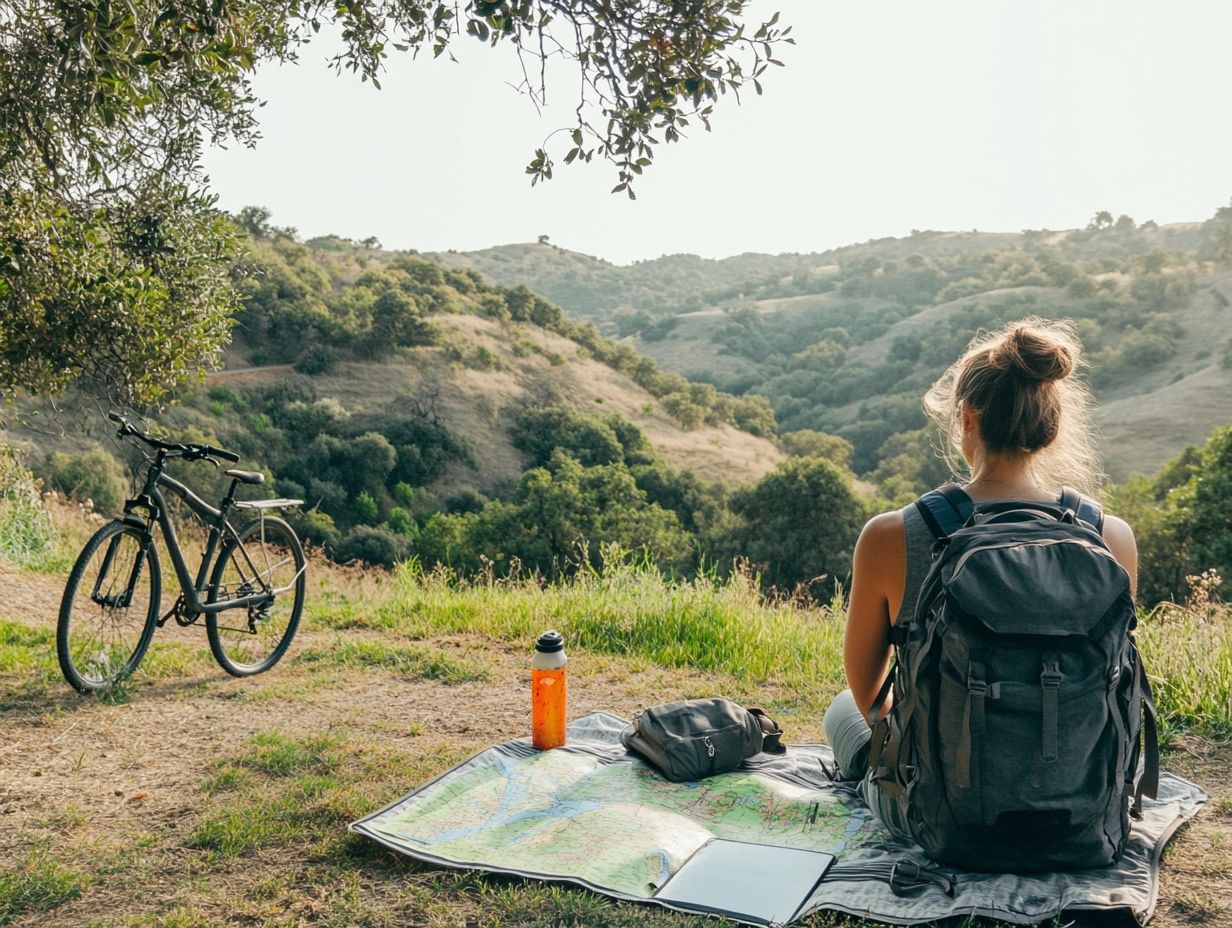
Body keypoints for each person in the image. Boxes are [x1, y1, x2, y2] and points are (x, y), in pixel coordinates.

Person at [822, 317, 1138, 838]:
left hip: (944, 817)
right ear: (1051, 425)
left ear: (967, 418)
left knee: (841, 710)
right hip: (1080, 811)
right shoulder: (1111, 536)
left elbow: (868, 694)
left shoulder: (892, 535)